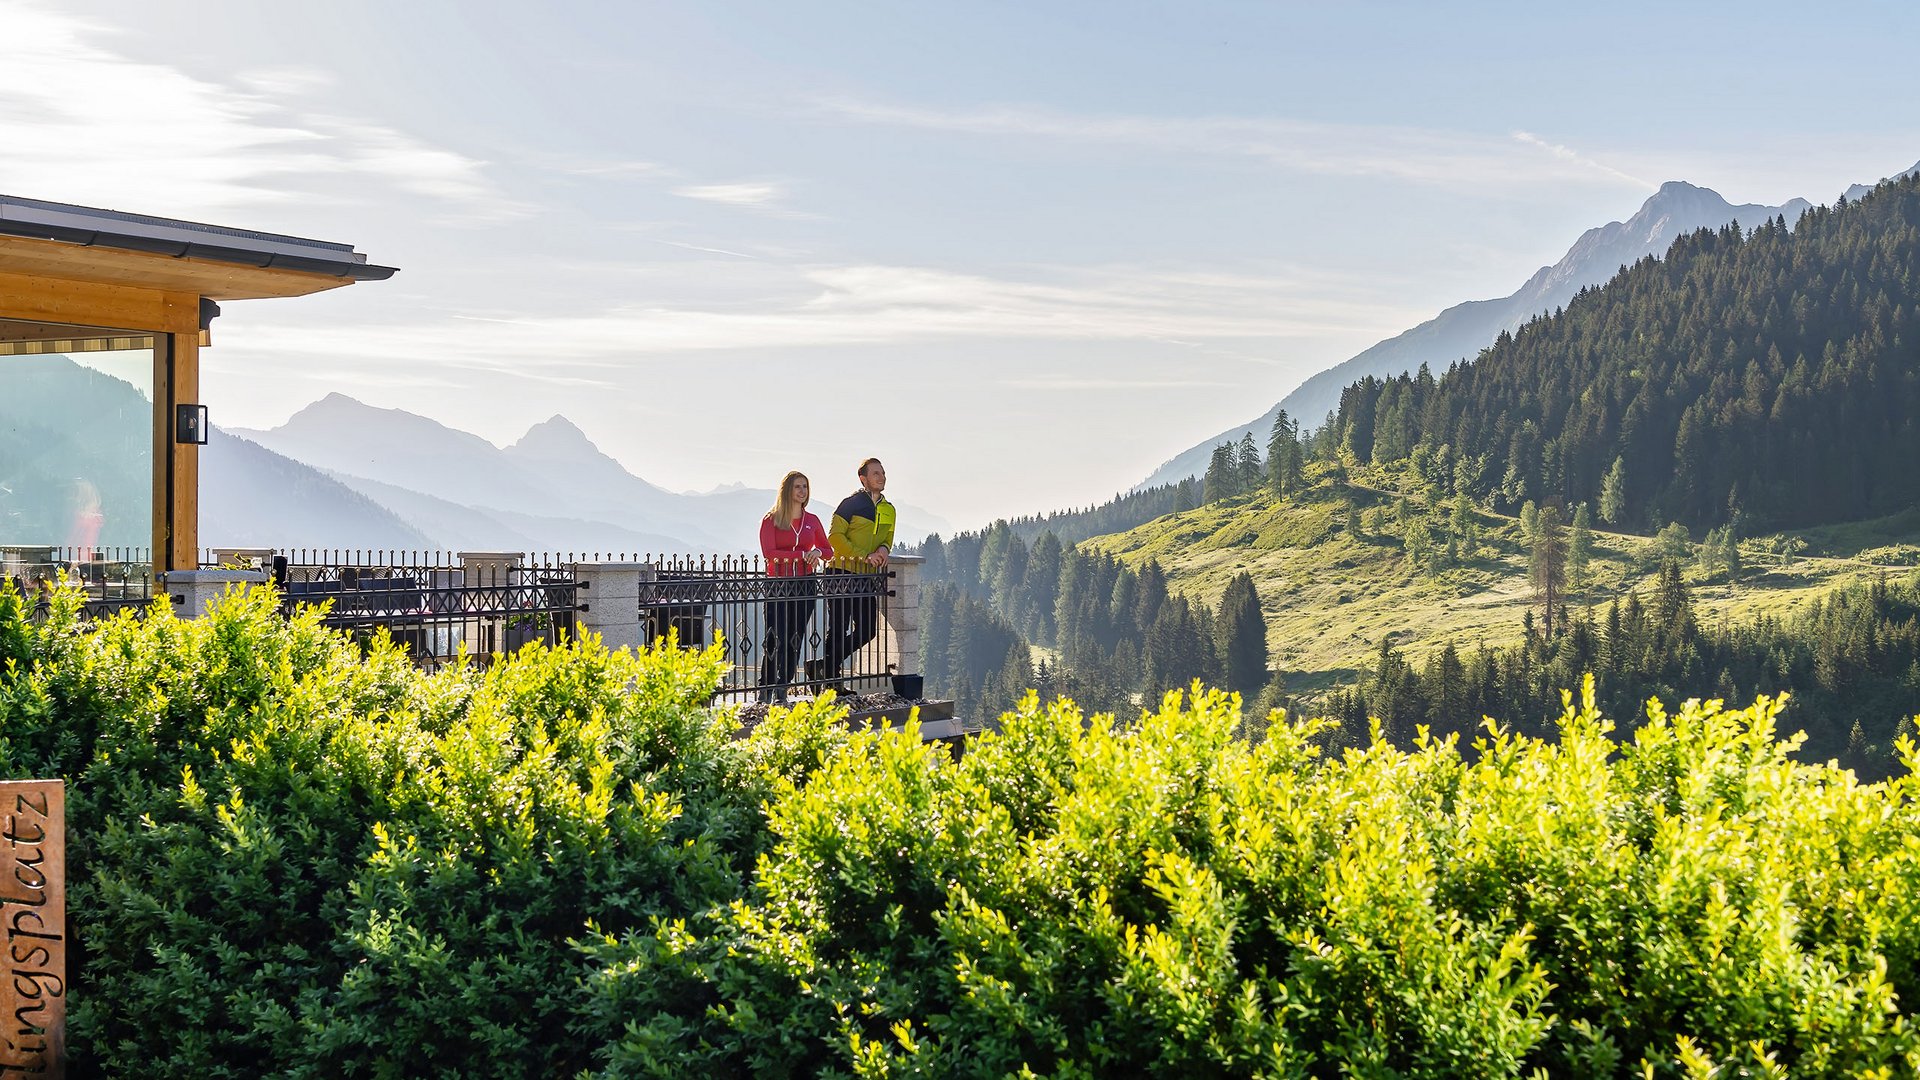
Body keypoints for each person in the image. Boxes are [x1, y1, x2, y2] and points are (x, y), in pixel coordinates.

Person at [815, 457, 896, 684]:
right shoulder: (849, 504)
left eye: (882, 473)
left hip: (865, 576)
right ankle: (832, 680)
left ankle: (825, 666)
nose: (882, 477)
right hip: (841, 571)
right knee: (839, 626)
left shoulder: (889, 509)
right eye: (876, 473)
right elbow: (834, 537)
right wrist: (863, 555)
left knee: (868, 630)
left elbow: (888, 538)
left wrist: (883, 548)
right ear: (863, 479)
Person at [757, 470, 832, 704]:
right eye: (798, 487)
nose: (802, 491)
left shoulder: (812, 520)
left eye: (805, 487)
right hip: (778, 584)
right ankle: (765, 687)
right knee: (773, 637)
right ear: (787, 490)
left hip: (805, 585)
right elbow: (769, 553)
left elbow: (828, 551)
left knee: (794, 637)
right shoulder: (771, 519)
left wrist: (818, 552)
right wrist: (802, 555)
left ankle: (783, 686)